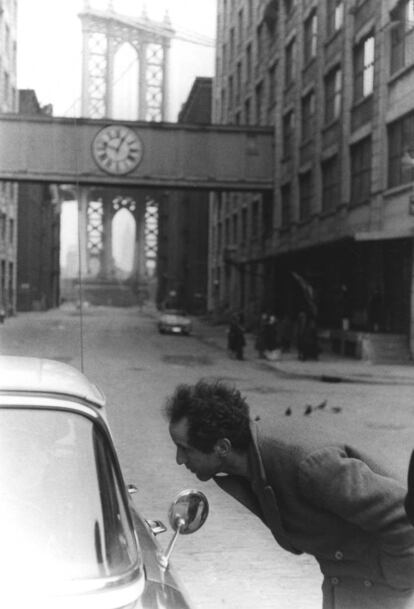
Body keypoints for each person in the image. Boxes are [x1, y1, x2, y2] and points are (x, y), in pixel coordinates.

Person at [165, 380, 414, 609]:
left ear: (222, 447)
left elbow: (404, 518)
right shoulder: (252, 464)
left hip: (378, 592)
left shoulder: (307, 466)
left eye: (184, 449)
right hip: (343, 584)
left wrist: (394, 579)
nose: (179, 459)